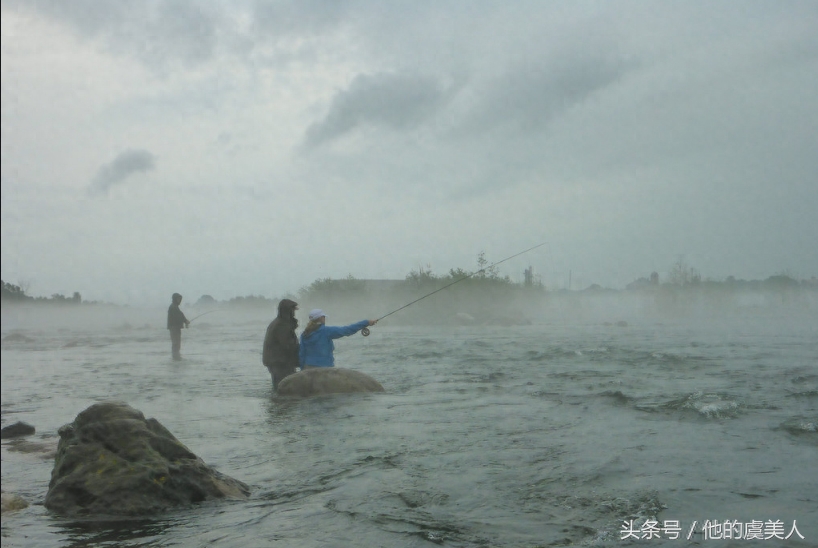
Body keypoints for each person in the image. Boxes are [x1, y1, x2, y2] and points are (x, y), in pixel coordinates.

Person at [299, 309, 377, 369]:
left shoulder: (304, 334)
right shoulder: (326, 331)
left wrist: (303, 369)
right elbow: (347, 330)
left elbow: (301, 354)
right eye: (324, 317)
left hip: (308, 368)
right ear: (321, 318)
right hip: (324, 368)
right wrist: (366, 322)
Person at [262, 299, 300, 390]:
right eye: (293, 309)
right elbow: (287, 345)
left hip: (277, 361)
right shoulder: (281, 325)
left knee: (280, 387)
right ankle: (282, 403)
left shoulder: (279, 322)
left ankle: (278, 402)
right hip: (280, 362)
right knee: (285, 388)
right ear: (288, 310)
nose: (294, 312)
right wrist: (301, 350)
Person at [167, 293, 190, 360]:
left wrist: (185, 321)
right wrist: (185, 321)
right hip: (174, 328)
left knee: (176, 344)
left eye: (180, 299)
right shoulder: (173, 307)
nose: (179, 300)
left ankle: (176, 357)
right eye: (178, 299)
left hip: (175, 328)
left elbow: (181, 315)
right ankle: (175, 358)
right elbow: (178, 317)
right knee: (176, 344)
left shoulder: (175, 307)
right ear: (174, 299)